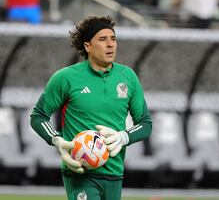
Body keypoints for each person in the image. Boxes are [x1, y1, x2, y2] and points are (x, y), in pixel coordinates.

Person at [30, 15, 152, 200]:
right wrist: (57, 140)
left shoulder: (128, 76)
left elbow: (145, 124)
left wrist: (123, 136)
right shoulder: (66, 78)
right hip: (80, 172)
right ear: (88, 46)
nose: (110, 44)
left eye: (113, 39)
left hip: (114, 172)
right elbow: (38, 116)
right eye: (103, 40)